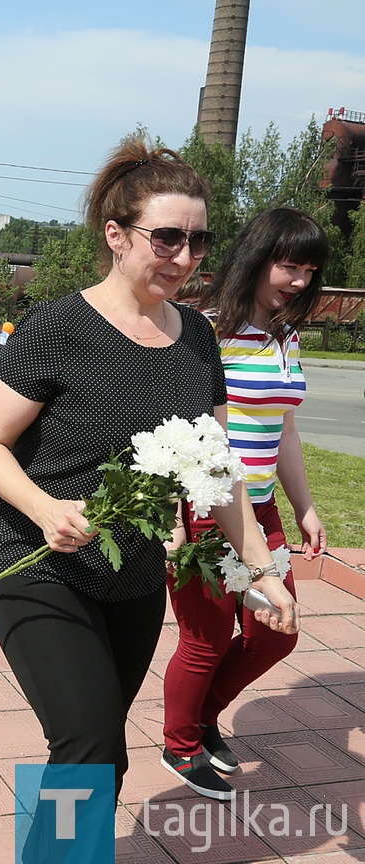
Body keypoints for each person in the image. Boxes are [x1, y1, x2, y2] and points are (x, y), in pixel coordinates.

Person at [0, 138, 296, 812]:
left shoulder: (199, 338)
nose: (186, 256)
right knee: (85, 742)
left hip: (136, 574)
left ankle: (64, 847)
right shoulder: (57, 327)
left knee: (105, 752)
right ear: (117, 235)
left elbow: (215, 462)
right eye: (168, 237)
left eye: (200, 241)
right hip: (40, 563)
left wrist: (260, 566)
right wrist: (43, 507)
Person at [162, 207, 328, 799]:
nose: (300, 281)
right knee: (204, 639)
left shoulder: (287, 337)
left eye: (309, 270)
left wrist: (303, 505)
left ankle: (203, 714)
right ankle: (180, 743)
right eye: (290, 266)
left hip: (261, 511)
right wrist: (173, 521)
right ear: (257, 259)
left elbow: (283, 432)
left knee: (275, 632)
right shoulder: (202, 329)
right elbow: (180, 431)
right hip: (205, 510)